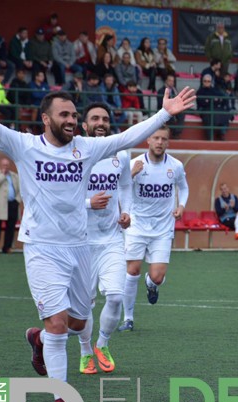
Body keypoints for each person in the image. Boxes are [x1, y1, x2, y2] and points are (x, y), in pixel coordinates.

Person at [0, 87, 195, 402]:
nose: (69, 120)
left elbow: (127, 137)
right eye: (63, 114)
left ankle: (38, 340)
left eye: (72, 114)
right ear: (45, 118)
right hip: (42, 247)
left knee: (77, 323)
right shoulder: (23, 145)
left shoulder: (87, 148)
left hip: (80, 247)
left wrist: (164, 113)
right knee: (56, 323)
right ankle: (61, 399)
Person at [117, 127, 188, 332]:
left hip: (163, 227)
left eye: (164, 139)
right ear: (148, 140)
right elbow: (123, 189)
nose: (159, 142)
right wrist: (130, 175)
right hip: (137, 225)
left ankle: (151, 283)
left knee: (157, 276)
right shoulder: (134, 164)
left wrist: (181, 205)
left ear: (168, 142)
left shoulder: (175, 166)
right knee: (132, 270)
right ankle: (128, 319)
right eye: (156, 138)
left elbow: (183, 187)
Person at [80, 102, 133, 374]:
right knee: (84, 304)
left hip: (112, 239)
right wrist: (90, 203)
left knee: (115, 296)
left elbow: (125, 186)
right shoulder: (74, 153)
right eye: (94, 119)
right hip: (82, 242)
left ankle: (102, 344)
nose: (100, 122)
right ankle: (85, 351)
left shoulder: (121, 153)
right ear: (84, 125)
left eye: (104, 118)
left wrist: (127, 212)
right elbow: (62, 197)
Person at [0, 157, 21, 253]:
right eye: (4, 165)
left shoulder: (14, 176)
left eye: (7, 165)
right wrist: (3, 174)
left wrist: (17, 200)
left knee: (10, 227)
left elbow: (20, 190)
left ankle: (7, 247)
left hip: (12, 204)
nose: (5, 167)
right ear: (0, 165)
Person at [214, 183, 238, 253]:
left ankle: (237, 233)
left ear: (228, 189)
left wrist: (233, 206)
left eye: (225, 189)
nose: (224, 191)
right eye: (222, 189)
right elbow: (218, 213)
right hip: (225, 219)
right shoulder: (218, 200)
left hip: (235, 218)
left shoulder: (234, 197)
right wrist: (225, 209)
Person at [196, 74, 233, 141]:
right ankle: (210, 138)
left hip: (215, 109)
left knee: (224, 114)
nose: (207, 83)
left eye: (208, 81)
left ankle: (222, 133)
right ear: (202, 82)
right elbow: (202, 103)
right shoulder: (199, 91)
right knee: (209, 117)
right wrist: (214, 101)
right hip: (205, 110)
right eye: (205, 81)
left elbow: (223, 97)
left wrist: (211, 101)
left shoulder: (215, 90)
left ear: (211, 82)